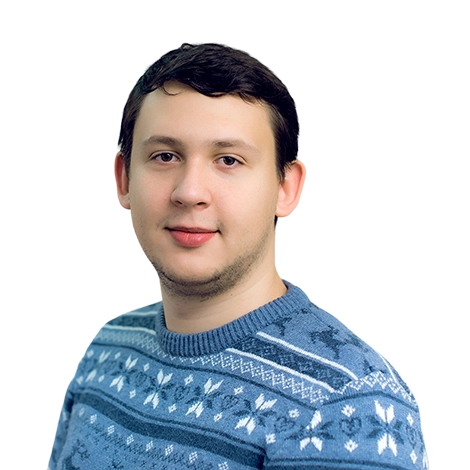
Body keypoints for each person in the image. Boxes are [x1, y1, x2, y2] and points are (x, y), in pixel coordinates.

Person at [49, 42, 428, 469]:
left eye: (228, 160)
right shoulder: (106, 349)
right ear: (123, 179)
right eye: (165, 156)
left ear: (286, 188)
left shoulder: (348, 407)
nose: (190, 192)